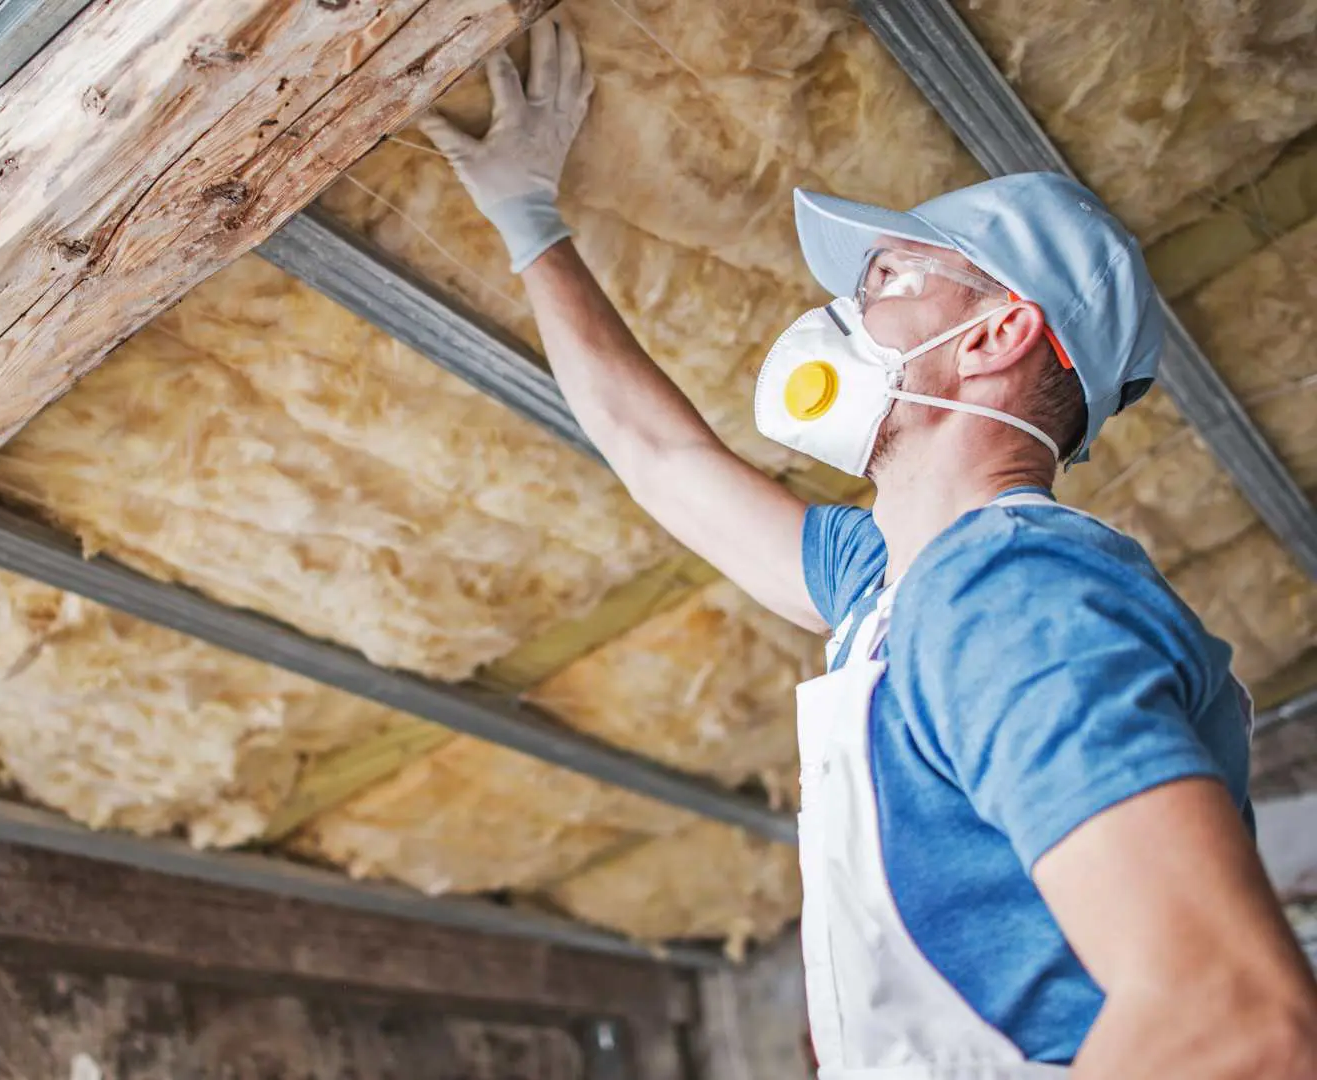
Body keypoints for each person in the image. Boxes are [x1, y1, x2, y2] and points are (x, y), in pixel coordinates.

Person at [418, 19, 1317, 1079]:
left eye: (887, 279)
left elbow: (1236, 1017)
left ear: (995, 336)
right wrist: (529, 224)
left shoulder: (1011, 593)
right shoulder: (895, 593)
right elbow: (659, 457)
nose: (840, 311)